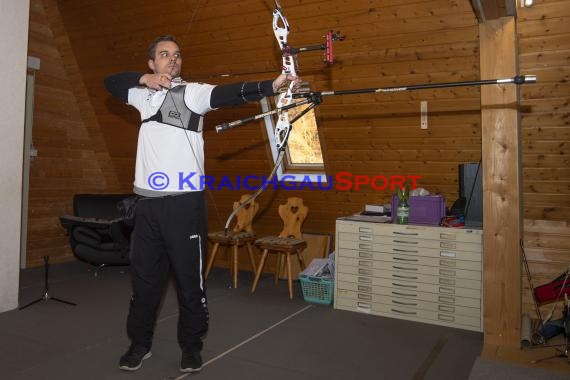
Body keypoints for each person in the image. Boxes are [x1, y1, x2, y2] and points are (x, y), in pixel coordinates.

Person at [104, 34, 299, 373]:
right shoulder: (141, 96)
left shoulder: (191, 93)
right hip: (147, 207)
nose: (173, 59)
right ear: (152, 63)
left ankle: (191, 347)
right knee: (145, 281)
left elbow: (228, 93)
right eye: (164, 55)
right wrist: (145, 80)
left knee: (189, 281)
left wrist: (272, 84)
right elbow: (110, 81)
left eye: (177, 55)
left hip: (184, 206)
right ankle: (139, 344)